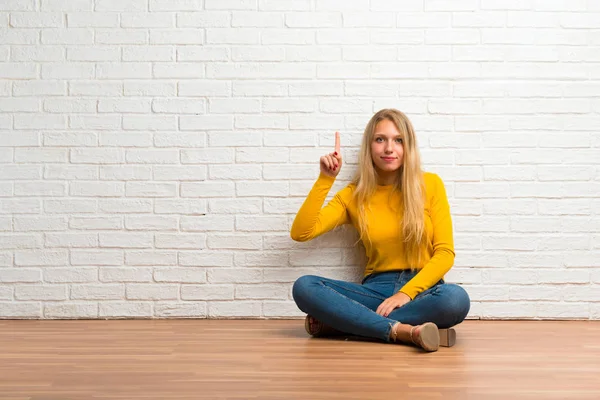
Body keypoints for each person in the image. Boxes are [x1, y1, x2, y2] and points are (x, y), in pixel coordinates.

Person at [290, 108, 470, 352]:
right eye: (380, 139)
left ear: (408, 147)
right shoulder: (354, 195)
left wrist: (404, 295)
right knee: (304, 287)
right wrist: (325, 179)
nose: (389, 148)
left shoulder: (430, 184)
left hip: (424, 290)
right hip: (376, 290)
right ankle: (403, 331)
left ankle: (347, 324)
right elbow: (301, 232)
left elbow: (445, 253)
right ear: (369, 146)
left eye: (398, 140)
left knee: (455, 299)